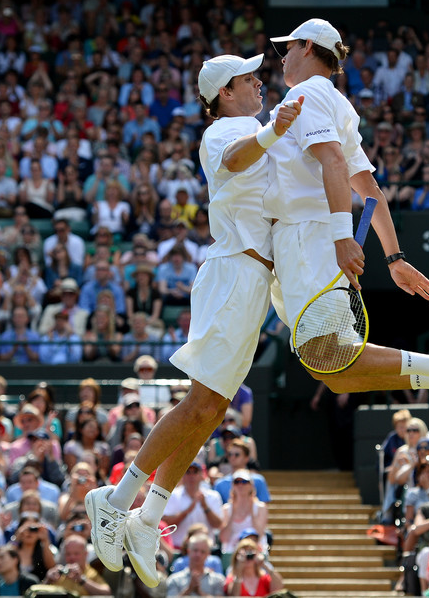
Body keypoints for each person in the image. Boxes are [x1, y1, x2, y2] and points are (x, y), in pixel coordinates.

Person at [84, 54, 304, 588]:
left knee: (210, 411)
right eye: (248, 79)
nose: (259, 83)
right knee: (200, 404)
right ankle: (113, 500)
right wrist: (276, 128)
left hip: (252, 282)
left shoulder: (254, 126)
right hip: (232, 276)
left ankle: (148, 517)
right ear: (224, 93)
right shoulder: (224, 131)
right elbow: (232, 160)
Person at [263, 18, 429, 417]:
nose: (281, 58)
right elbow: (371, 192)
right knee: (333, 372)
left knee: (327, 358)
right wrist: (395, 258)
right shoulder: (337, 103)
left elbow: (333, 162)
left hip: (305, 239)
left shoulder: (309, 94)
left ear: (308, 47)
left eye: (288, 48)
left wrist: (341, 237)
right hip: (304, 242)